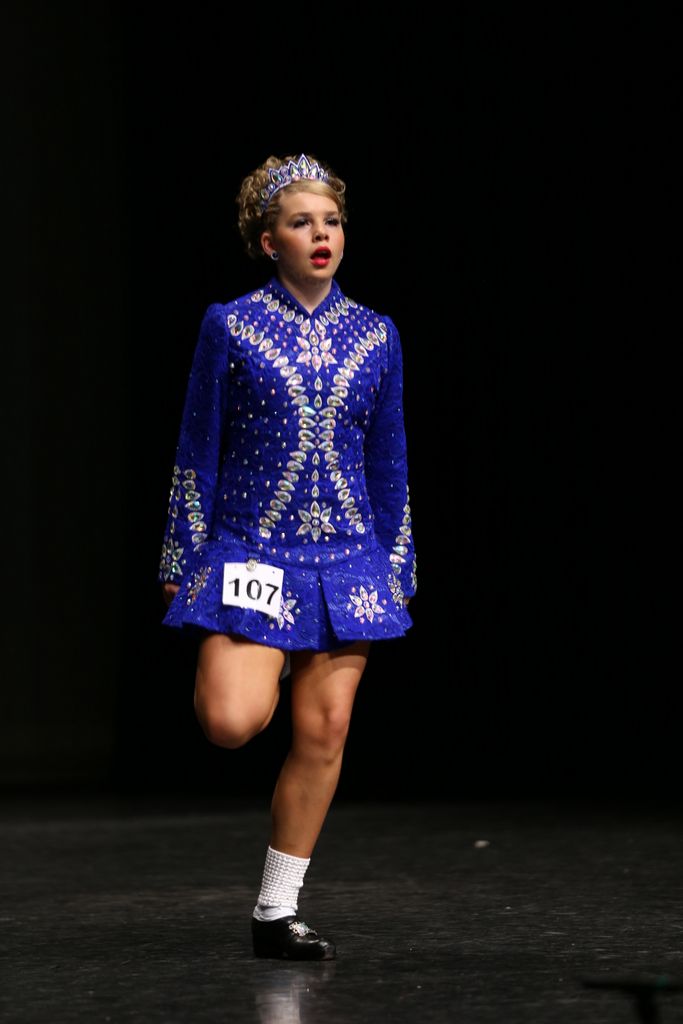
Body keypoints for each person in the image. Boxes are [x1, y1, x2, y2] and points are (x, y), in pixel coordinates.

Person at [158, 153, 417, 960]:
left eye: (331, 221)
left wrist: (397, 564)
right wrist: (182, 555)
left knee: (325, 730)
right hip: (254, 551)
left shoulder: (376, 333)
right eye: (301, 223)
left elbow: (389, 459)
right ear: (269, 241)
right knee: (231, 721)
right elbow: (197, 447)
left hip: (348, 556)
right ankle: (262, 658)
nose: (321, 234)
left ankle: (277, 909)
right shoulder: (230, 325)